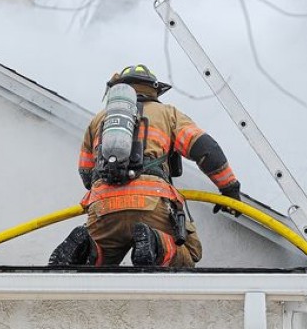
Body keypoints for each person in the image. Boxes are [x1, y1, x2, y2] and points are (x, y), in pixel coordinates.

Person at [49, 64, 242, 267]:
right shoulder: (168, 114)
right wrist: (229, 188)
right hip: (151, 203)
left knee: (98, 266)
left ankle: (85, 250)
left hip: (103, 204)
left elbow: (86, 173)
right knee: (188, 253)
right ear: (153, 89)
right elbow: (206, 149)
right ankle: (156, 243)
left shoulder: (99, 120)